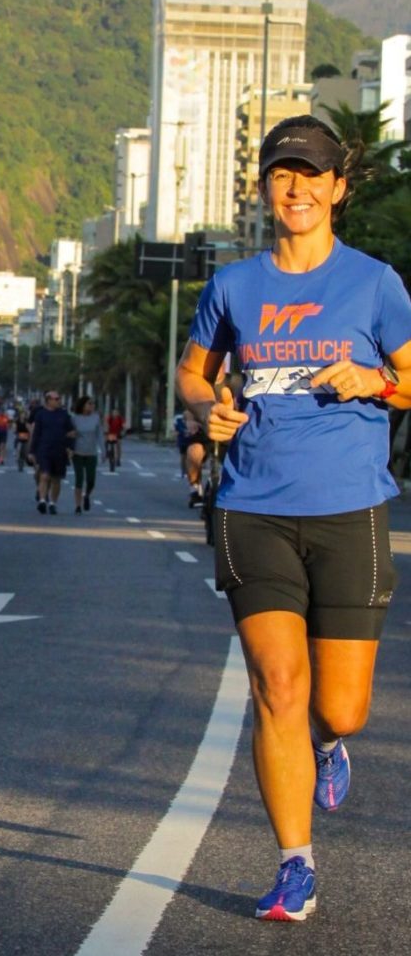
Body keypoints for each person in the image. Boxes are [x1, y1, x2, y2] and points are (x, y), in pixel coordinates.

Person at [176, 114, 411, 923]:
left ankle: (328, 743)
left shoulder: (375, 283)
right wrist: (210, 411)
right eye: (283, 173)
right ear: (266, 188)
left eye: (312, 174)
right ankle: (295, 864)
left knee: (338, 707)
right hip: (253, 509)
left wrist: (375, 383)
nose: (297, 188)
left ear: (339, 189)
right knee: (278, 686)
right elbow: (193, 374)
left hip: (350, 510)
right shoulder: (235, 286)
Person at [28, 390, 74, 514]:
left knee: (56, 479)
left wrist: (70, 447)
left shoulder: (64, 415)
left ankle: (53, 503)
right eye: (56, 399)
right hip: (44, 449)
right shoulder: (41, 414)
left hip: (59, 450)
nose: (59, 401)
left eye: (59, 399)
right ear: (48, 400)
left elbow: (71, 432)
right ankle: (42, 500)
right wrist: (32, 451)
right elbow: (36, 434)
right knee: (44, 475)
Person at [69, 396, 104, 513]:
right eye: (89, 404)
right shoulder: (75, 419)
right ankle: (78, 505)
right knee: (79, 479)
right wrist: (69, 448)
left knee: (91, 480)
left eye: (93, 404)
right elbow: (69, 434)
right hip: (78, 452)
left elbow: (100, 435)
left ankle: (87, 495)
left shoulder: (96, 418)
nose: (91, 406)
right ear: (83, 405)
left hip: (91, 453)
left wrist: (103, 451)